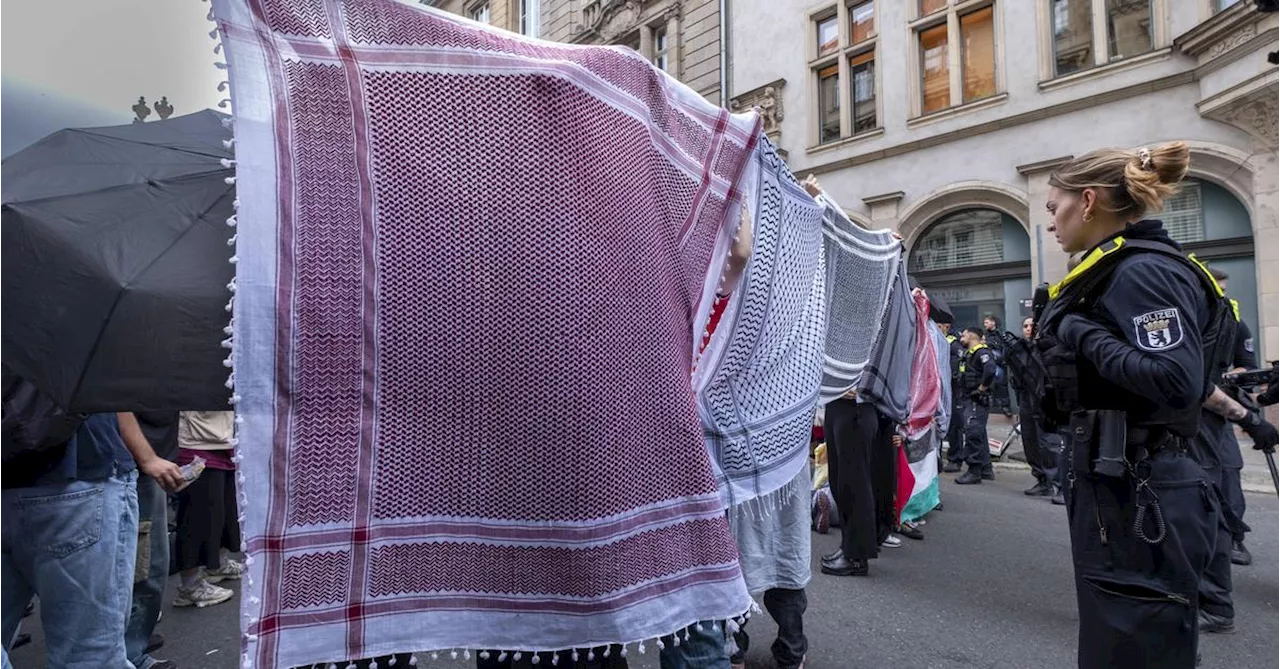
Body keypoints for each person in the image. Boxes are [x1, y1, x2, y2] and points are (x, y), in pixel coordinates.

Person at [1035, 141, 1279, 668]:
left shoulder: (1141, 270)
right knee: (1121, 634)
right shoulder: (1113, 267)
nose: (1051, 222)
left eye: (1055, 207)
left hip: (1139, 482)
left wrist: (1076, 329)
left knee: (1137, 639)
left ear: (1090, 200)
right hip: (1119, 476)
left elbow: (1175, 379)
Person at [0, 412, 182, 669]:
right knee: (88, 656)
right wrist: (147, 457)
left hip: (25, 471)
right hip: (77, 472)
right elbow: (105, 387)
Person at [172, 411, 243, 608]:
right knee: (198, 516)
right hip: (196, 439)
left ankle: (217, 564)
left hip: (223, 437)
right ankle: (190, 585)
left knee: (223, 511)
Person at [1210, 269, 1256, 568]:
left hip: (1220, 408)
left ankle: (1234, 537)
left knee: (1228, 471)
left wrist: (1225, 379)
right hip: (1185, 413)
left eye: (1224, 290)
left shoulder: (1235, 322)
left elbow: (1247, 367)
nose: (1221, 296)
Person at [128, 410, 181, 669]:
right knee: (144, 569)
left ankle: (131, 646)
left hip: (143, 461)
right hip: (136, 464)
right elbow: (113, 402)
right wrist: (146, 457)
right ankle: (130, 652)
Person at [1012, 317, 1059, 498]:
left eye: (1032, 326)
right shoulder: (1020, 350)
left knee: (1048, 442)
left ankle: (1058, 484)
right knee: (1030, 439)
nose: (1028, 329)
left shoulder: (1046, 346)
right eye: (1025, 326)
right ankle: (1042, 480)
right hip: (1026, 397)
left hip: (1043, 398)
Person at [955, 326, 997, 485]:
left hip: (976, 399)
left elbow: (990, 369)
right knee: (978, 432)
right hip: (968, 398)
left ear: (972, 335)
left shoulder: (982, 352)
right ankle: (986, 468)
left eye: (964, 334)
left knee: (972, 432)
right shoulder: (969, 354)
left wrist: (981, 389)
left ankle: (974, 471)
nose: (961, 337)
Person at [940, 320, 967, 473]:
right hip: (941, 389)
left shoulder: (952, 343)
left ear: (946, 326)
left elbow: (957, 367)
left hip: (953, 390)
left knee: (955, 425)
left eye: (939, 326)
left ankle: (955, 458)